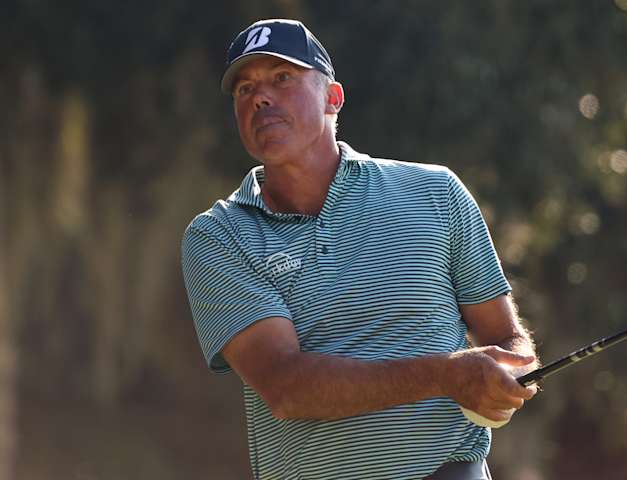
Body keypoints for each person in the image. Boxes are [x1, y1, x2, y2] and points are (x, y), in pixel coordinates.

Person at [181, 18, 539, 480]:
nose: (260, 97)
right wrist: (446, 375)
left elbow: (506, 336)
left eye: (282, 78)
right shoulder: (219, 236)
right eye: (244, 89)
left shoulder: (436, 192)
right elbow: (287, 388)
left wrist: (507, 378)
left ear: (333, 99)